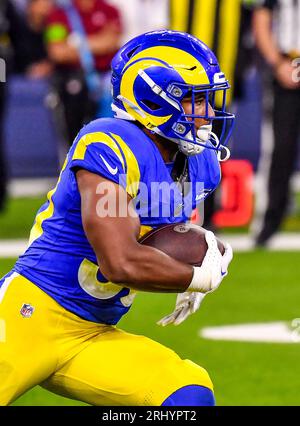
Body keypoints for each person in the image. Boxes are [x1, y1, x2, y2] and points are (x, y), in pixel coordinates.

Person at [0, 30, 234, 406]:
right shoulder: (109, 144)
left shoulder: (199, 163)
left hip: (93, 332)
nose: (207, 113)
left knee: (186, 392)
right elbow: (120, 261)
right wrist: (196, 276)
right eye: (194, 99)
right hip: (31, 317)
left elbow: (159, 232)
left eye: (208, 99)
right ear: (152, 99)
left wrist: (203, 252)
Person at [253, 0, 300, 246]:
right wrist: (277, 63)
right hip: (287, 64)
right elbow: (261, 22)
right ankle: (272, 219)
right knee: (282, 147)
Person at [45, 0, 122, 143]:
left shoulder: (109, 10)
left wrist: (75, 44)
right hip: (72, 80)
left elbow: (112, 42)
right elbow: (57, 52)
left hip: (107, 80)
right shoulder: (58, 15)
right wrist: (98, 42)